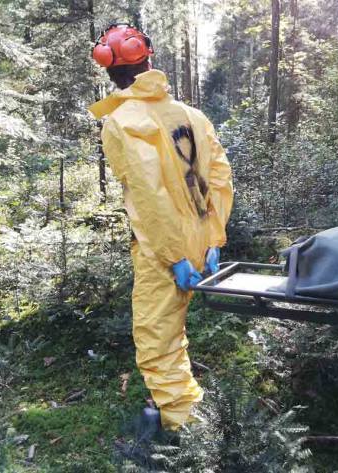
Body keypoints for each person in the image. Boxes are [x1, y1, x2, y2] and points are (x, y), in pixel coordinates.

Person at [88, 24, 233, 431]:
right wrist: (214, 236)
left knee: (158, 342)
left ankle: (186, 433)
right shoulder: (192, 115)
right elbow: (220, 178)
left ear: (109, 71)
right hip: (201, 236)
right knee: (172, 335)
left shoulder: (122, 122)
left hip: (163, 246)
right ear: (149, 59)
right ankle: (188, 410)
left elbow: (150, 198)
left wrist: (172, 256)